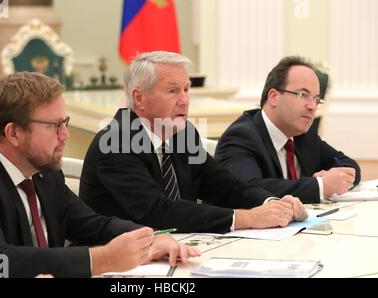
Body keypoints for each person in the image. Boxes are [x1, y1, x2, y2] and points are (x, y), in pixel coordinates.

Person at [0, 72, 199, 278]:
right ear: (13, 133)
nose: (65, 135)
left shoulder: (43, 172)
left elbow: (92, 224)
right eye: (54, 126)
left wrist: (148, 238)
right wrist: (101, 259)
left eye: (65, 123)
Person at [79, 51, 307, 233]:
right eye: (172, 91)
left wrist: (272, 203)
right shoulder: (116, 142)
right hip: (120, 264)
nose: (185, 101)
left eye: (187, 90)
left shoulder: (183, 134)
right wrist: (248, 218)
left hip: (178, 249)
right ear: (139, 98)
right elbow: (159, 212)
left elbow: (225, 186)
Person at [215, 56, 361, 203]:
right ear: (273, 97)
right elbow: (248, 189)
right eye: (302, 95)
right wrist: (321, 186)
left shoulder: (303, 135)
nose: (312, 107)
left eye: (316, 99)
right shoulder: (241, 136)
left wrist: (339, 177)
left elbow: (347, 164)